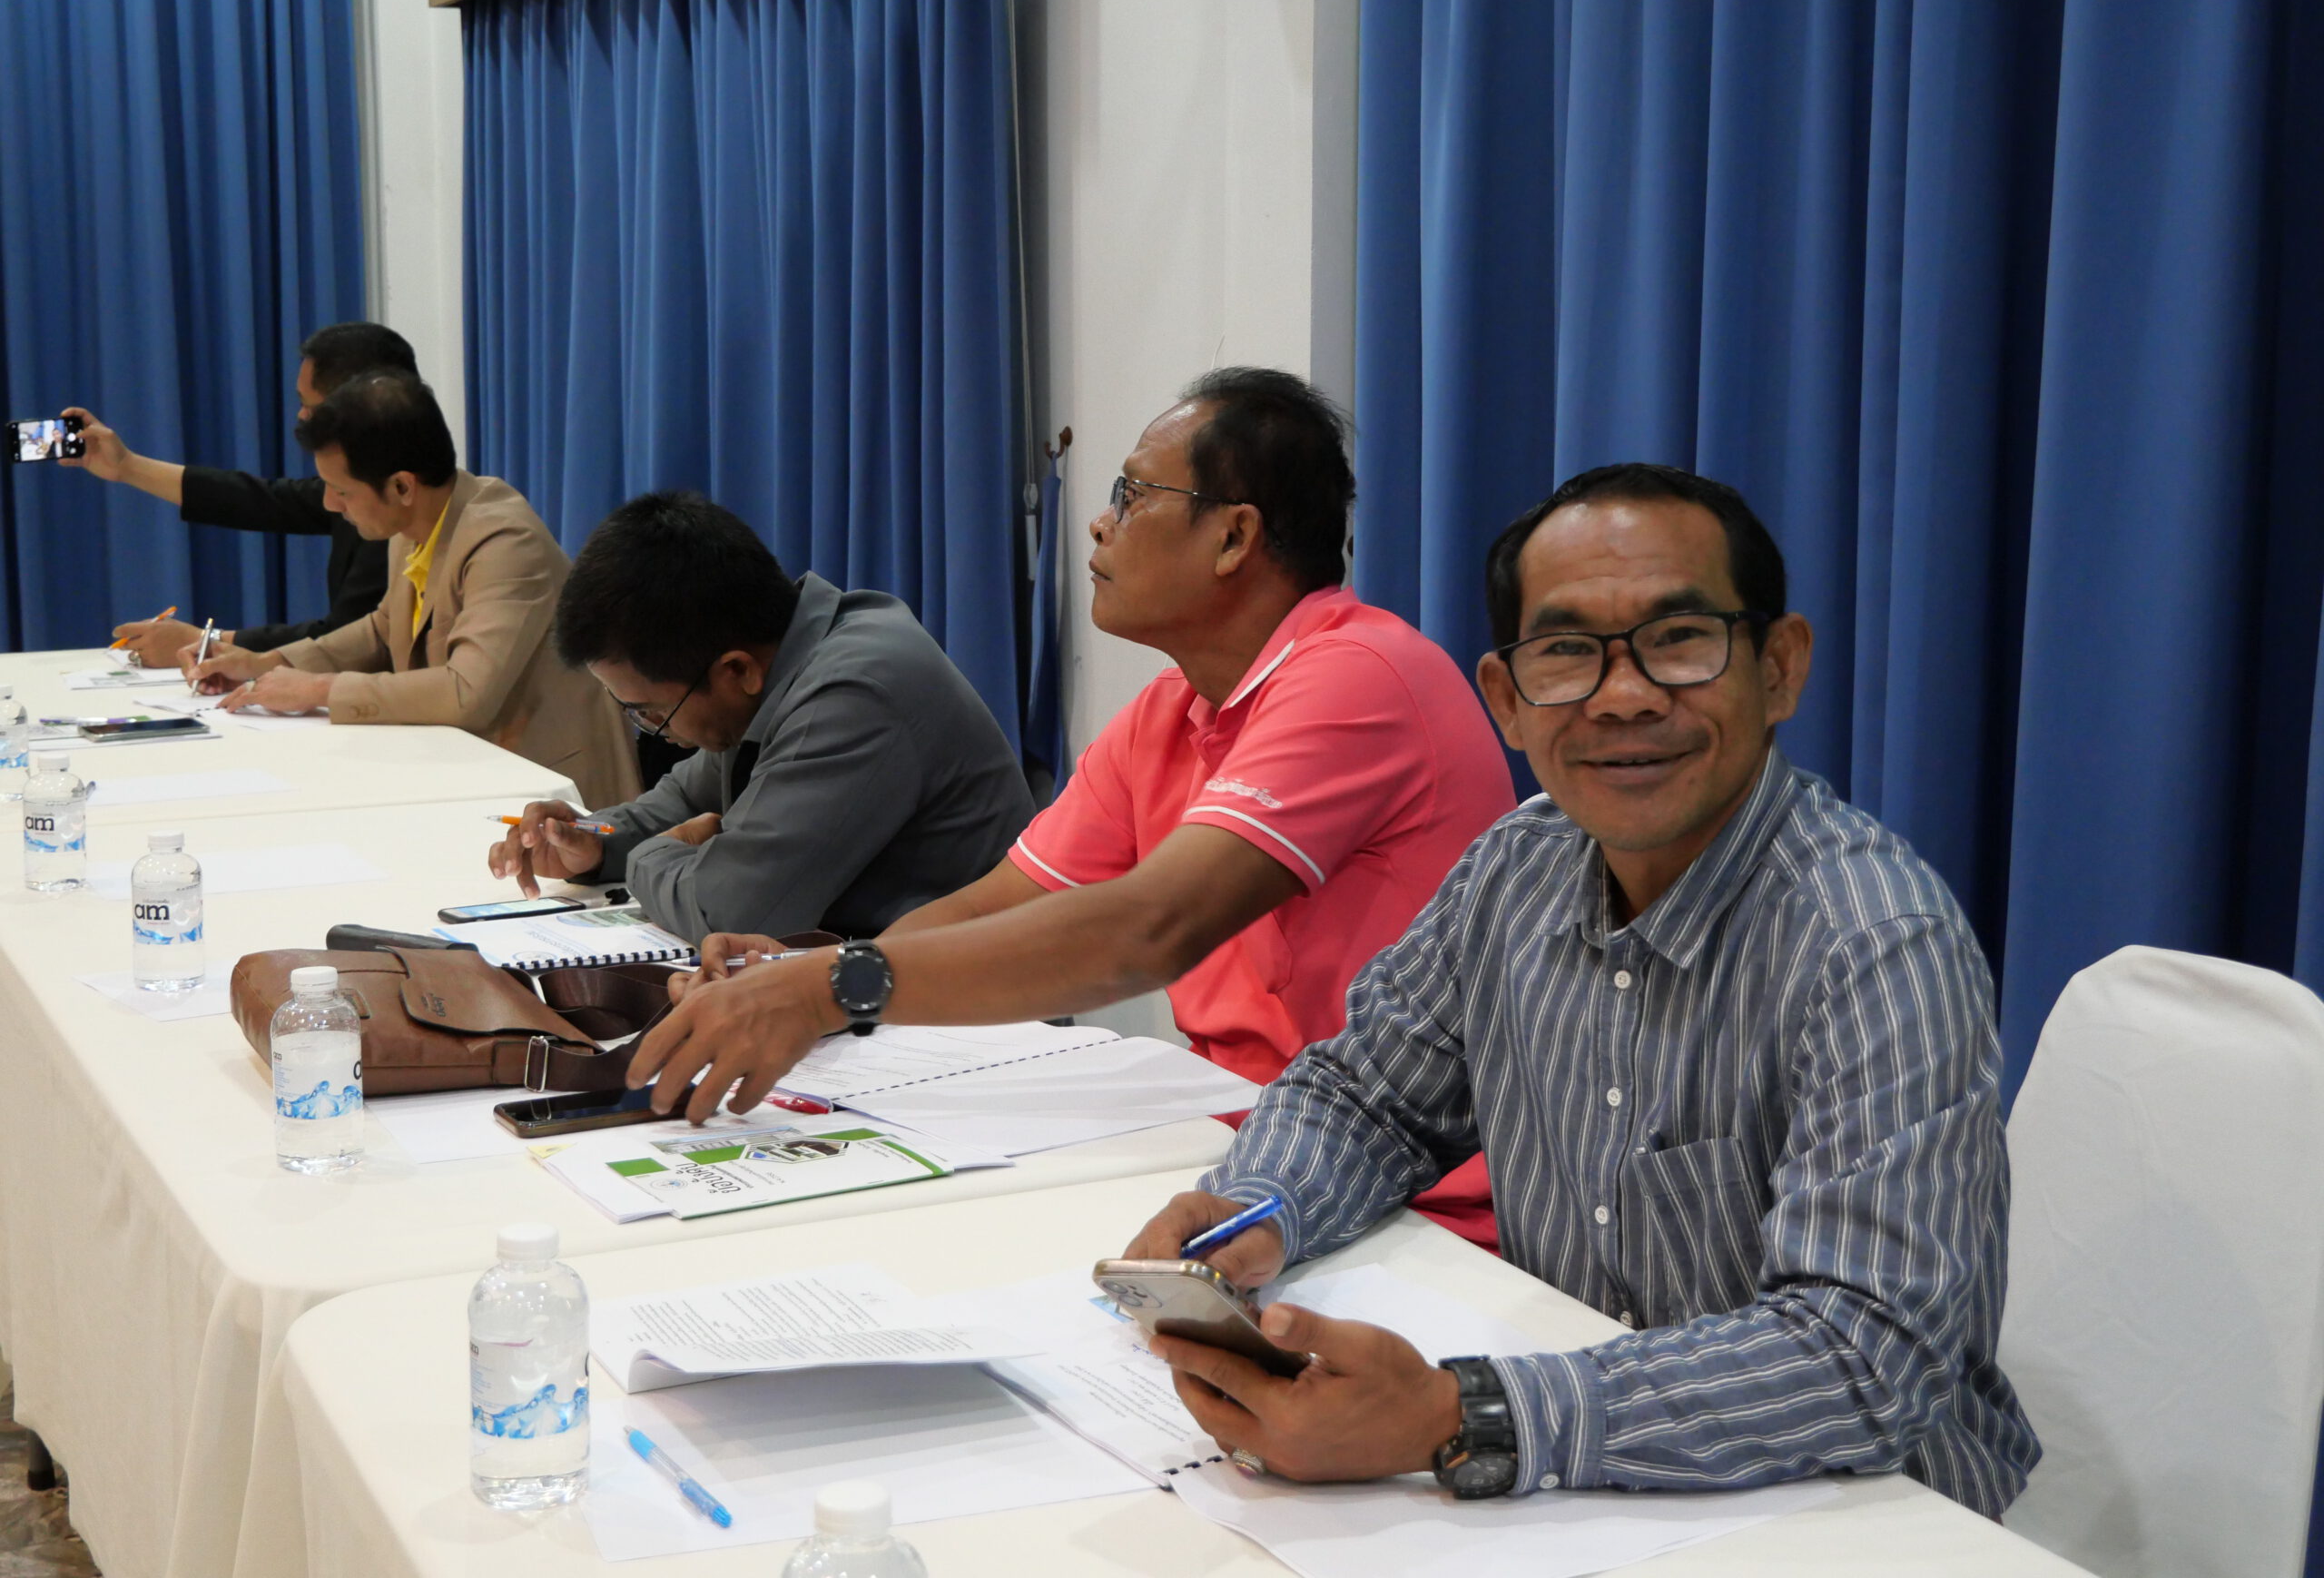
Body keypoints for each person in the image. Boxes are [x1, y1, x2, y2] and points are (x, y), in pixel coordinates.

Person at [1115, 462, 2040, 1514]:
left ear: (1779, 668)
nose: (1624, 695)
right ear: (1506, 701)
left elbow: (1861, 1357)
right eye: (1565, 653)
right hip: (1589, 1488)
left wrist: (1459, 1416)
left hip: (1866, 1512)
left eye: (1679, 640)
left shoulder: (1876, 944)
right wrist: (1257, 1209)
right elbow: (1366, 1095)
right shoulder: (1519, 866)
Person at [624, 368, 1518, 1247]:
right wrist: (807, 975)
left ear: (1233, 537)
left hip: (1394, 1192)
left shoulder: (1358, 678)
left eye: (1133, 495)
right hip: (1227, 1138)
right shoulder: (1172, 711)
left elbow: (1148, 929)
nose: (1099, 521)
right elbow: (993, 904)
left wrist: (826, 991)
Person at [485, 489, 1035, 942]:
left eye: (652, 712)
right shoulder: (778, 668)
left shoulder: (853, 696)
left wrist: (652, 856)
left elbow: (732, 912)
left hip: (968, 1011)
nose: (657, 732)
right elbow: (685, 802)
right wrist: (595, 841)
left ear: (736, 669)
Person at [185, 370, 637, 810]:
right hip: (474, 768)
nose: (329, 504)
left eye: (341, 490)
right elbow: (384, 629)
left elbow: (465, 693)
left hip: (555, 792)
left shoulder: (504, 540)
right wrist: (268, 664)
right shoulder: (415, 523)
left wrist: (319, 689)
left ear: (402, 485)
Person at [62, 322, 418, 665]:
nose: (301, 416)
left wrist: (209, 642)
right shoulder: (373, 484)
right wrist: (127, 466)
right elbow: (260, 499)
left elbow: (348, 642)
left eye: (312, 406)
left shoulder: (395, 512)